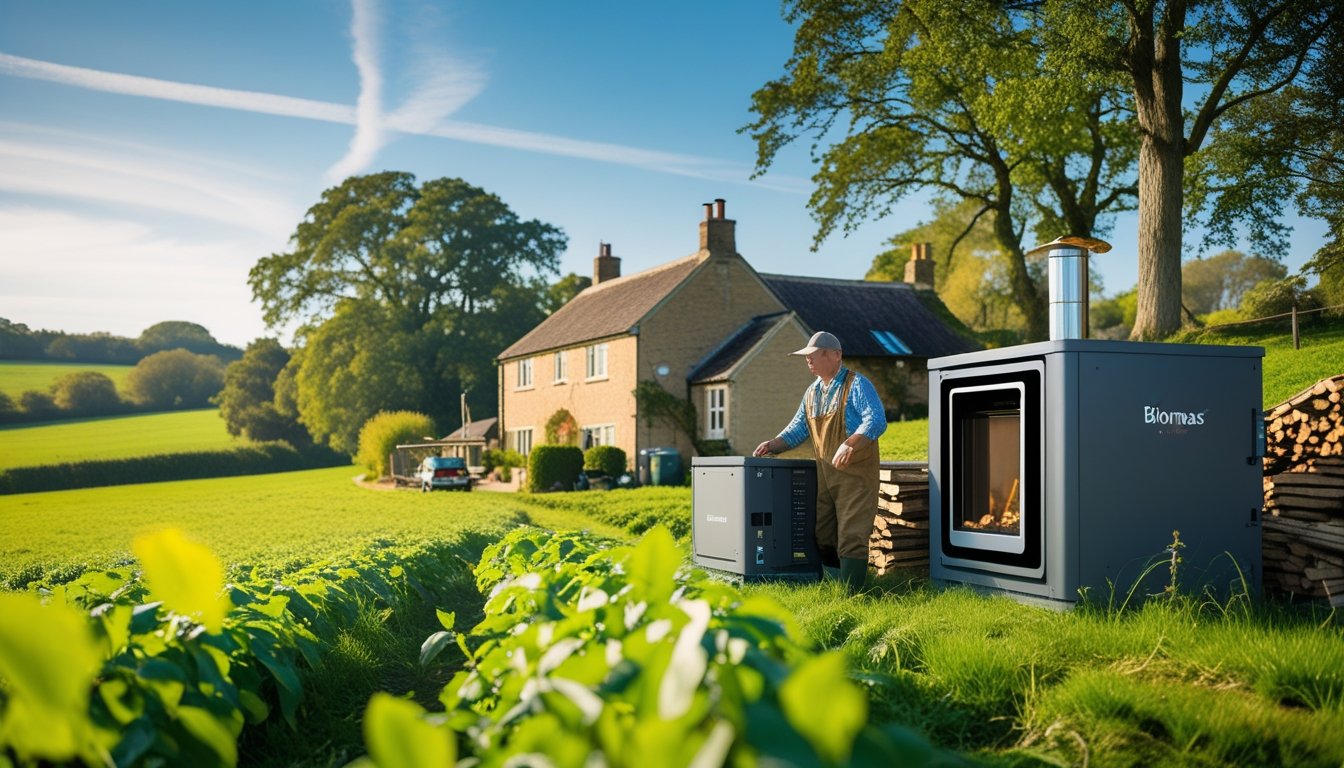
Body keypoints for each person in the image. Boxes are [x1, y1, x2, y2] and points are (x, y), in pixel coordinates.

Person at [754, 331, 887, 593]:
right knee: (824, 533)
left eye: (814, 356)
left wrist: (850, 443)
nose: (808, 361)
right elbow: (797, 430)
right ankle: (835, 588)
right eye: (807, 357)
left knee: (851, 534)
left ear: (834, 356)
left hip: (856, 478)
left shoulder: (856, 385)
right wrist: (773, 445)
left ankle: (853, 596)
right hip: (826, 476)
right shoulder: (812, 393)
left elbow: (876, 420)